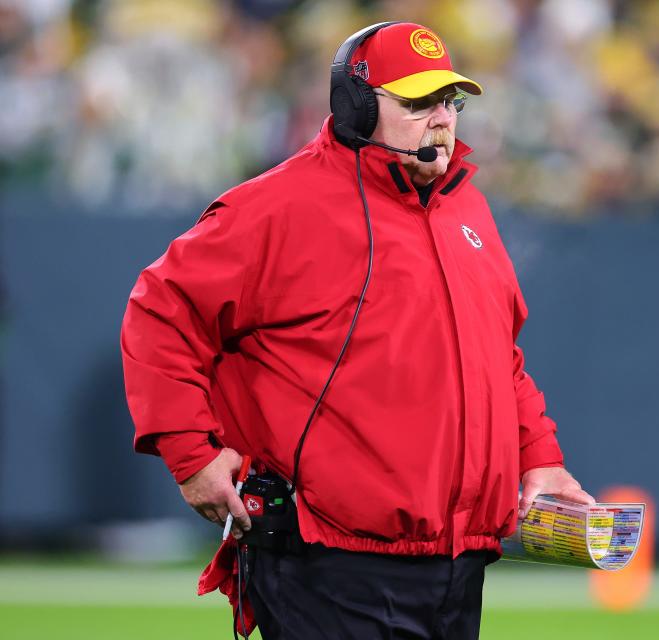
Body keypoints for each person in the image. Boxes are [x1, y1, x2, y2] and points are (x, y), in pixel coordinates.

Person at [121, 21, 594, 639]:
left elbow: (500, 361)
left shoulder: (464, 207)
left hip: (458, 563)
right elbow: (161, 310)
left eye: (449, 101)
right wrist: (190, 456)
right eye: (418, 102)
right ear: (358, 105)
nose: (443, 119)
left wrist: (541, 461)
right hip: (329, 562)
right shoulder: (278, 206)